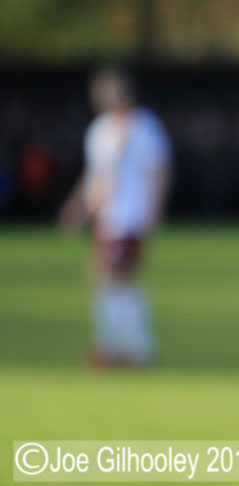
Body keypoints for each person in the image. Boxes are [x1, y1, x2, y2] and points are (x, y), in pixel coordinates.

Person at [59, 67, 171, 368]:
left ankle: (132, 349)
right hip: (107, 218)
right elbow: (95, 174)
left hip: (129, 216)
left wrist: (154, 209)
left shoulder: (142, 126)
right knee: (104, 278)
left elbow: (158, 169)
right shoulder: (100, 129)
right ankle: (115, 347)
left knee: (117, 278)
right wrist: (78, 206)